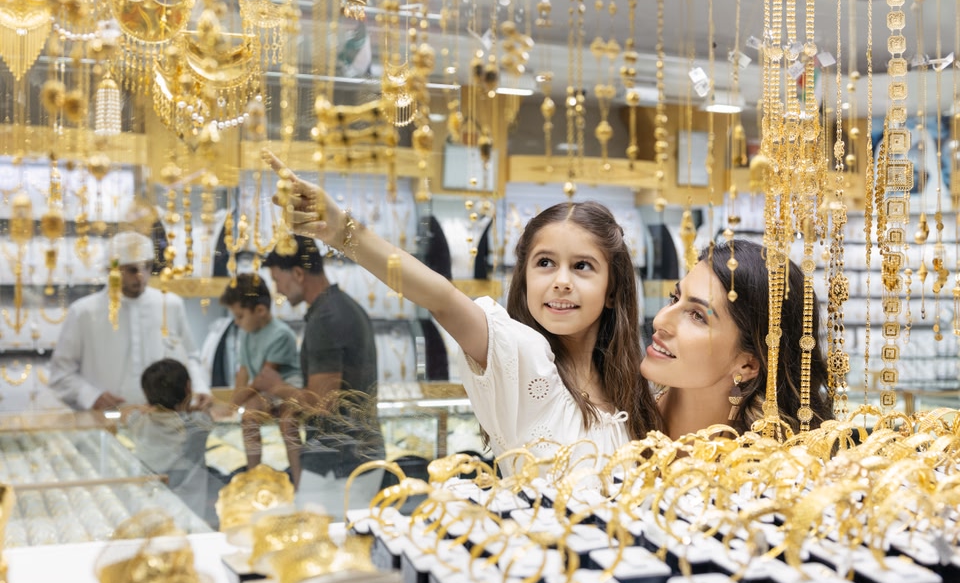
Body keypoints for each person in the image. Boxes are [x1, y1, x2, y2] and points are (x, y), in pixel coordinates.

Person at [259, 149, 662, 469]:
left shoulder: (636, 384)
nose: (561, 280)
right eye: (544, 263)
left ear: (612, 289)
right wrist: (341, 231)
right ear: (525, 277)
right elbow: (441, 297)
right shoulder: (520, 355)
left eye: (582, 266)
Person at [641, 241, 834, 438]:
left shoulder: (769, 464)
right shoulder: (618, 424)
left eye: (698, 316)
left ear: (748, 365)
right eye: (674, 298)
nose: (660, 320)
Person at [254, 234, 384, 512]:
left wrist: (276, 386)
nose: (277, 289)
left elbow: (322, 403)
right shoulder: (341, 307)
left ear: (298, 274)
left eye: (277, 280)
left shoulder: (327, 318)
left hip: (339, 466)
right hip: (348, 459)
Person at [49, 231, 212, 410]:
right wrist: (91, 396)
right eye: (132, 269)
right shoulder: (84, 312)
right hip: (106, 423)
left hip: (162, 422)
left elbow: (190, 357)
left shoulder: (170, 304)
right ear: (112, 270)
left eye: (147, 267)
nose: (141, 276)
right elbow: (61, 374)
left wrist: (199, 388)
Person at [218, 273, 304, 478]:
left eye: (240, 316)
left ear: (261, 310)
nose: (237, 323)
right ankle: (253, 474)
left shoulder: (281, 334)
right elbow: (244, 372)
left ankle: (300, 478)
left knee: (288, 423)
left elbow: (264, 377)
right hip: (265, 389)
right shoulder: (246, 333)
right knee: (249, 415)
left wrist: (232, 405)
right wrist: (234, 402)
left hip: (286, 387)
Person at [124, 358, 213, 521]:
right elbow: (204, 416)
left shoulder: (137, 421)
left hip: (149, 507)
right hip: (189, 512)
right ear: (188, 387)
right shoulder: (196, 427)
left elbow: (130, 414)